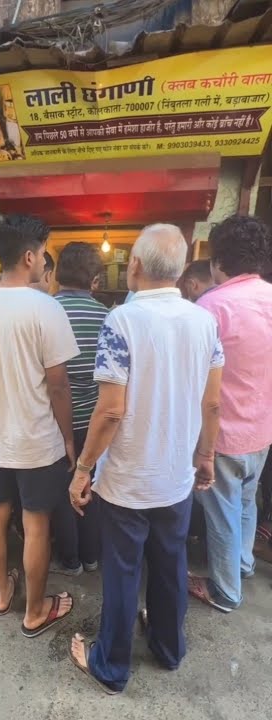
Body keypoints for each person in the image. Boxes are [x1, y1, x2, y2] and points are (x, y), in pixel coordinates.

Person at [68, 223, 224, 694]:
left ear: (134, 265)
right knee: (171, 563)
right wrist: (206, 456)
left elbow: (111, 409)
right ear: (178, 270)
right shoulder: (204, 321)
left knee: (122, 572)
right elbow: (213, 403)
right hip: (175, 475)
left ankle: (111, 666)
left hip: (128, 479)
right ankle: (168, 648)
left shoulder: (122, 321)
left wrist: (82, 468)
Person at [0, 214, 79, 635]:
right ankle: (35, 611)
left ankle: (2, 593)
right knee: (35, 523)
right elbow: (59, 386)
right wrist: (68, 439)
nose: (44, 261)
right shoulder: (46, 307)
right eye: (44, 253)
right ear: (29, 256)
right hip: (36, 439)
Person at [188, 215, 272, 613]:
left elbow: (197, 379)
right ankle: (242, 564)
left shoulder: (212, 306)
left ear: (217, 260)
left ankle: (225, 590)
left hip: (222, 432)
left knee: (221, 509)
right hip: (262, 428)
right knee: (246, 500)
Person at [49, 242, 108, 576]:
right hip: (95, 419)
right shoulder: (107, 316)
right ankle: (91, 555)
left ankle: (70, 560)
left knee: (62, 490)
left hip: (56, 420)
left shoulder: (45, 311)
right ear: (95, 280)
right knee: (92, 486)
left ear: (58, 274)